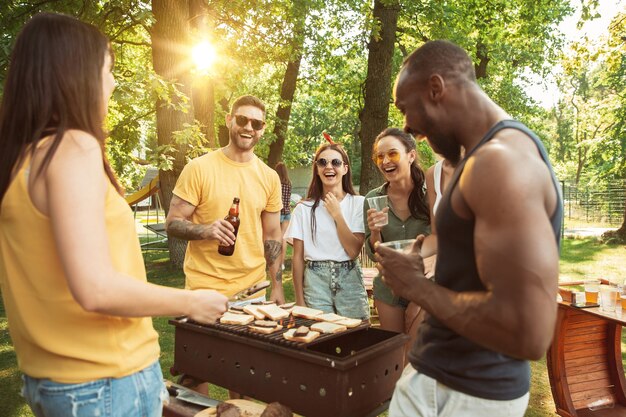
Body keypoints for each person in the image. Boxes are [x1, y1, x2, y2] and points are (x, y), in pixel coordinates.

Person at [0, 13, 228, 417]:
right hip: (103, 380)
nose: (113, 83)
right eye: (108, 70)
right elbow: (95, 288)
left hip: (58, 381)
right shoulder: (73, 147)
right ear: (77, 74)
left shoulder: (22, 159)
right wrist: (190, 302)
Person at [375, 40, 563, 416]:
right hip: (442, 378)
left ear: (435, 88)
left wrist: (417, 289)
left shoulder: (500, 163)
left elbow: (528, 331)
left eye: (405, 108)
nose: (409, 125)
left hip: (463, 393)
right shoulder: (482, 157)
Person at [165, 95, 285, 306]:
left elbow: (273, 235)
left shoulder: (269, 177)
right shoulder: (199, 168)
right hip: (204, 294)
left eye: (256, 123)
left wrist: (277, 286)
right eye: (242, 120)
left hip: (254, 295)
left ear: (262, 128)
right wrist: (206, 230)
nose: (248, 127)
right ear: (229, 120)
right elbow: (173, 222)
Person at [363, 128, 430, 354]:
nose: (385, 161)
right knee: (393, 357)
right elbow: (374, 253)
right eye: (379, 157)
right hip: (388, 289)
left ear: (411, 155)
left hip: (423, 285)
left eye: (392, 154)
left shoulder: (431, 194)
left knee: (415, 357)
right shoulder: (373, 199)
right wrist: (375, 232)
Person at [286, 142, 369, 320]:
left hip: (350, 279)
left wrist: (337, 214)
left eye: (335, 163)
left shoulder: (358, 203)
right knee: (321, 339)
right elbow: (298, 258)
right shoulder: (303, 209)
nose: (329, 167)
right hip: (315, 281)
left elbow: (353, 251)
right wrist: (299, 300)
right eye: (322, 162)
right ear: (316, 169)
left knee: (358, 337)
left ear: (345, 169)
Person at [274, 161, 292, 271]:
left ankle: (275, 262)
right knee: (284, 238)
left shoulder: (277, 184)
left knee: (275, 237)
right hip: (287, 212)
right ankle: (282, 263)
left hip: (278, 212)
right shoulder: (289, 184)